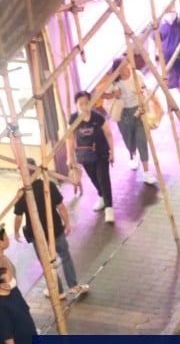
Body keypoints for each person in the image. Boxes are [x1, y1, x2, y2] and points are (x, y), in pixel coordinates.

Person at [14, 159, 89, 301]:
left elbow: (18, 216)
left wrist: (16, 231)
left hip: (37, 234)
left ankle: (57, 291)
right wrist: (67, 223)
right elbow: (61, 207)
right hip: (56, 228)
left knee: (47, 264)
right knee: (65, 256)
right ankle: (73, 286)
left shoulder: (23, 193)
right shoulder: (48, 186)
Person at [104, 58, 156, 185]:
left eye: (127, 65)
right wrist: (114, 95)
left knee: (142, 138)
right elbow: (102, 94)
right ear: (117, 71)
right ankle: (133, 155)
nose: (127, 69)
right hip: (123, 113)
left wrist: (142, 91)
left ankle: (146, 172)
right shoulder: (114, 81)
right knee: (128, 138)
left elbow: (144, 88)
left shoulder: (137, 74)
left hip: (139, 110)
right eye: (123, 68)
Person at [67, 90, 115, 224]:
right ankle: (101, 196)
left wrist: (112, 152)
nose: (83, 106)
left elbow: (108, 133)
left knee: (103, 178)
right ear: (76, 105)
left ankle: (109, 208)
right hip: (84, 154)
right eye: (80, 104)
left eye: (86, 103)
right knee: (93, 178)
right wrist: (69, 157)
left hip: (101, 153)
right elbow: (69, 139)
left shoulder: (98, 117)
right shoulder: (73, 119)